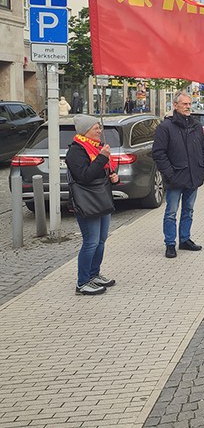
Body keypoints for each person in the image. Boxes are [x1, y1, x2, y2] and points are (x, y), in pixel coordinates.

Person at [152, 91, 204, 259]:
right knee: (171, 212)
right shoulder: (165, 127)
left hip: (194, 176)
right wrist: (169, 174)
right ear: (175, 106)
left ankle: (185, 239)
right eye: (184, 104)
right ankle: (170, 243)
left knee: (189, 210)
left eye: (189, 104)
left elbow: (203, 150)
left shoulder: (196, 125)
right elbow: (159, 153)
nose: (188, 107)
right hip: (175, 177)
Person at [66, 115, 119, 295]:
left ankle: (94, 274)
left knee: (101, 240)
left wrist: (113, 176)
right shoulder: (76, 151)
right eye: (96, 128)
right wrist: (102, 158)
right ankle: (82, 282)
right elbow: (85, 176)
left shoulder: (96, 148)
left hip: (101, 199)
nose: (100, 130)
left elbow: (100, 173)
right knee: (91, 242)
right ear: (86, 131)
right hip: (87, 203)